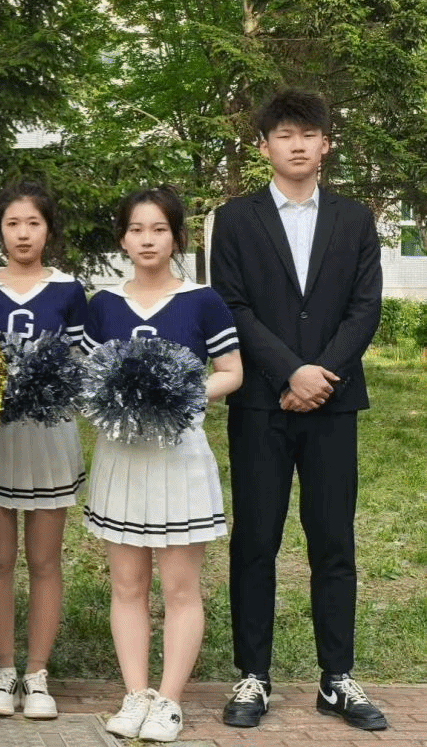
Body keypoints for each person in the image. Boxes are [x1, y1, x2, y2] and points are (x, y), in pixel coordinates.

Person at [209, 88, 386, 731]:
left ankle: (336, 678)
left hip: (333, 405)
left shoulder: (354, 219)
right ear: (264, 147)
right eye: (284, 134)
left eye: (309, 134)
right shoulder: (235, 219)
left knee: (333, 541)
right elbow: (232, 305)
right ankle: (253, 676)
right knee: (256, 539)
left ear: (326, 145)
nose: (298, 145)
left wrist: (320, 377)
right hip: (261, 402)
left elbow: (364, 307)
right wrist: (289, 371)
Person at [82, 187, 241, 743]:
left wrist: (180, 394)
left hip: (180, 457)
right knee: (127, 585)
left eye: (159, 229)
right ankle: (135, 694)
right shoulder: (102, 304)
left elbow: (231, 371)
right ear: (122, 239)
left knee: (180, 588)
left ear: (176, 237)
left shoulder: (203, 301)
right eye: (136, 230)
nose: (147, 240)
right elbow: (88, 378)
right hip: (121, 457)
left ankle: (169, 700)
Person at [0, 181, 87, 719]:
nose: (22, 233)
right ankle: (2, 669)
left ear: (48, 230)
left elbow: (81, 367)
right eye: (12, 223)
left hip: (50, 437)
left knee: (44, 560)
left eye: (33, 223)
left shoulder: (69, 291)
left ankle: (37, 674)